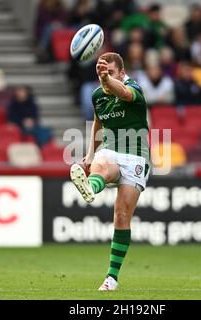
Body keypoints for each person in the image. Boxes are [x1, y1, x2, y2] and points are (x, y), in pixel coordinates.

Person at [70, 52, 149, 291]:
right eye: (101, 72)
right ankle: (90, 187)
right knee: (103, 166)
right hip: (111, 149)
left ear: (122, 73)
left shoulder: (132, 87)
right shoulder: (97, 96)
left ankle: (112, 278)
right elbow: (98, 122)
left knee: (122, 215)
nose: (104, 77)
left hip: (136, 154)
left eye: (110, 72)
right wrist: (90, 153)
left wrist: (107, 80)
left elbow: (124, 94)